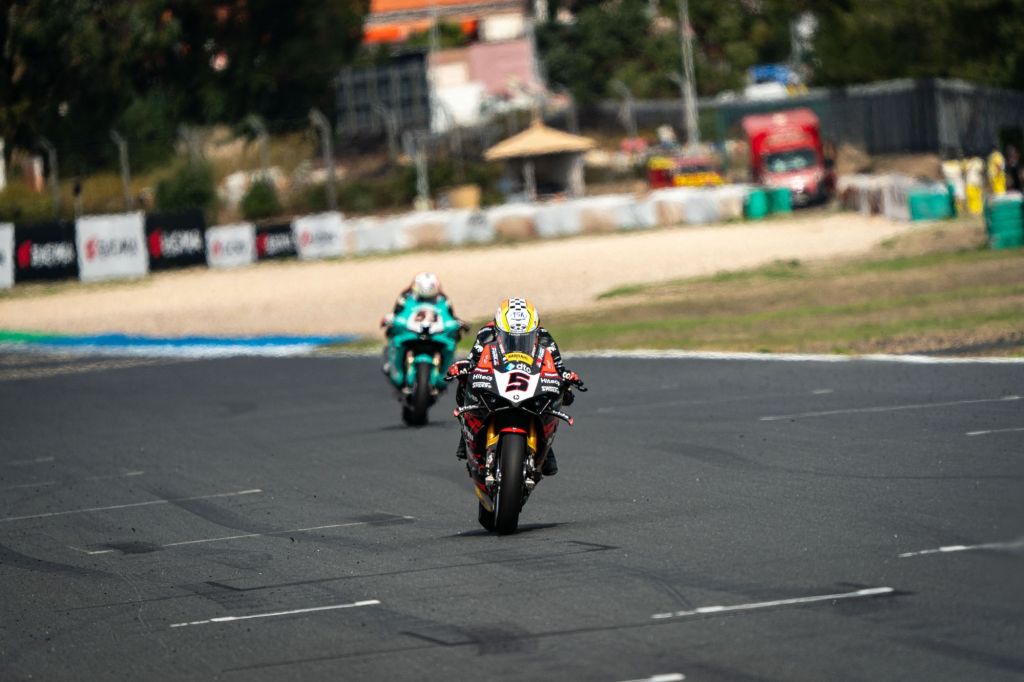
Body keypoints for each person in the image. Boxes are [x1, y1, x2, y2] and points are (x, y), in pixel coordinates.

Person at [448, 297, 582, 476]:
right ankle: (465, 435)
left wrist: (567, 379)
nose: (518, 341)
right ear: (498, 329)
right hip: (497, 377)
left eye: (526, 337)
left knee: (563, 394)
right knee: (464, 382)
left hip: (530, 380)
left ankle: (546, 447)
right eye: (510, 336)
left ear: (535, 330)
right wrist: (463, 368)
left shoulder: (545, 338)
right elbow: (473, 361)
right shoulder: (486, 334)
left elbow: (558, 368)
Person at [380, 272, 461, 373]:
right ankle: (392, 363)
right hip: (412, 331)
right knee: (393, 335)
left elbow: (450, 316)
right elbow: (397, 313)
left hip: (435, 333)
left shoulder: (443, 300)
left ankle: (447, 370)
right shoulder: (405, 297)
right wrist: (390, 320)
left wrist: (458, 324)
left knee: (452, 341)